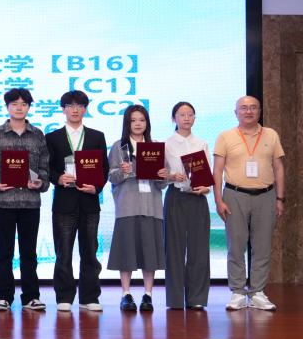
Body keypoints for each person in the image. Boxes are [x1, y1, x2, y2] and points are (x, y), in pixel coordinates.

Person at [213, 95, 286, 311]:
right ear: (236, 112)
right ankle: (237, 291)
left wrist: (280, 198)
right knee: (236, 245)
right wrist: (218, 200)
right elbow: (217, 170)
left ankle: (257, 293)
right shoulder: (225, 136)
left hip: (266, 195)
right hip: (234, 195)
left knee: (262, 246)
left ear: (259, 112)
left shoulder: (271, 135)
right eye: (243, 108)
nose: (248, 111)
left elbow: (279, 167)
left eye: (253, 108)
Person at [0, 88, 50, 312]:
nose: (19, 108)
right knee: (4, 252)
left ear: (29, 107)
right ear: (7, 107)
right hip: (3, 202)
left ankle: (31, 296)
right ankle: (3, 296)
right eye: (14, 104)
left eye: (23, 104)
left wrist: (40, 182)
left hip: (30, 203)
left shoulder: (38, 135)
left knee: (29, 252)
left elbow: (45, 167)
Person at [45, 90, 107, 313]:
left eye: (79, 106)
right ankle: (64, 296)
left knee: (90, 251)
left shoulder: (96, 136)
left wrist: (96, 187)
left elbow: (104, 168)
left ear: (85, 109)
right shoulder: (52, 137)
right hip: (64, 201)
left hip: (89, 202)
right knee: (63, 252)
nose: (75, 110)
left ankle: (89, 296)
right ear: (63, 109)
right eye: (70, 106)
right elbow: (47, 168)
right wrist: (58, 178)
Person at [106, 104, 168, 312]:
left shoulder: (155, 147)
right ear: (127, 123)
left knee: (150, 253)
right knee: (127, 252)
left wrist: (162, 175)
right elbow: (111, 177)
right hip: (127, 206)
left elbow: (163, 183)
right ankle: (126, 294)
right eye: (133, 120)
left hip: (151, 206)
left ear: (147, 123)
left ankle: (148, 294)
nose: (138, 124)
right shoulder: (119, 147)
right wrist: (123, 171)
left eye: (142, 120)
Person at [163, 101, 212, 310]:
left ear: (194, 118)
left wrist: (206, 188)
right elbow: (160, 177)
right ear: (173, 118)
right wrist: (171, 176)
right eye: (182, 114)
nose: (186, 118)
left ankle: (197, 298)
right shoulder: (166, 144)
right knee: (174, 249)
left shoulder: (202, 143)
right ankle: (175, 300)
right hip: (176, 197)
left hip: (198, 199)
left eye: (190, 114)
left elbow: (208, 176)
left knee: (199, 249)